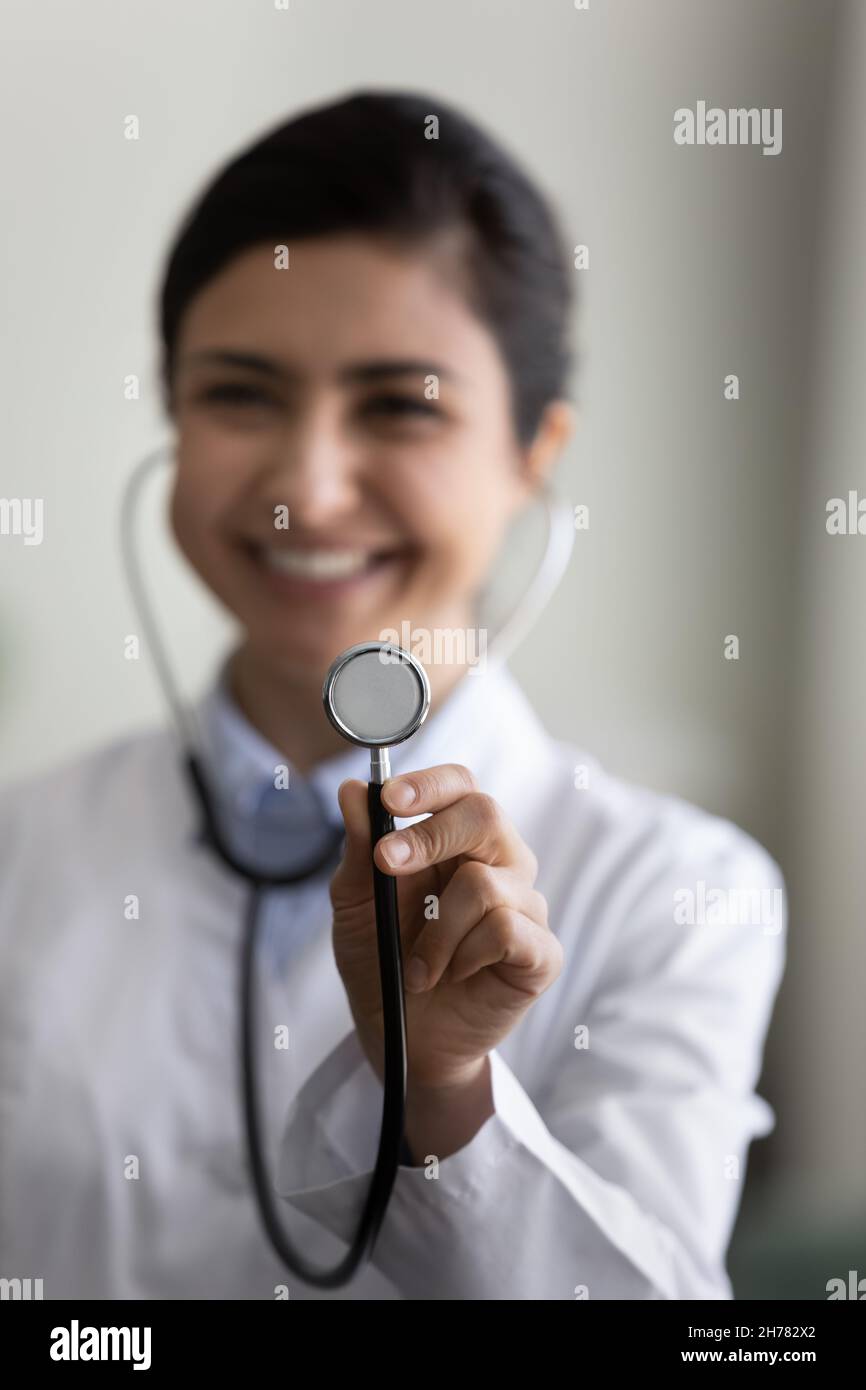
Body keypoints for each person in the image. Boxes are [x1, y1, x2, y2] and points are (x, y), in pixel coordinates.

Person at [0, 91, 785, 1301]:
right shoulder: (20, 850)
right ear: (169, 415)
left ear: (533, 454)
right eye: (239, 392)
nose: (304, 492)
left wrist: (445, 1098)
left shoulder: (678, 894)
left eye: (399, 406)